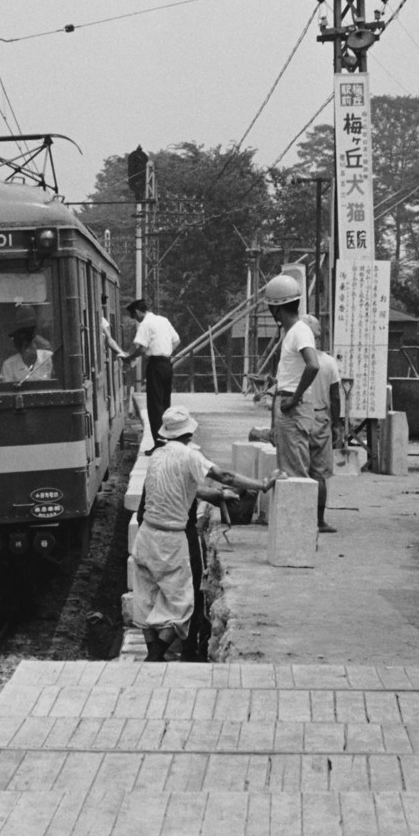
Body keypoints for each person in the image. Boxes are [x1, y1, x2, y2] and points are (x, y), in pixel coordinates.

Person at [132, 405, 277, 662]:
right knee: (181, 602)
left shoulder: (156, 456)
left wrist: (216, 496)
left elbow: (187, 490)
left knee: (147, 597)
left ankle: (153, 655)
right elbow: (226, 475)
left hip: (146, 535)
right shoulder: (190, 457)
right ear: (190, 433)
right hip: (171, 538)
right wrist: (261, 485)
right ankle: (154, 657)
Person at [263, 274, 321, 496]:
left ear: (275, 309)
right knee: (288, 468)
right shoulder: (292, 332)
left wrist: (294, 399)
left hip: (293, 406)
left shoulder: (299, 331)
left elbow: (313, 365)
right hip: (288, 403)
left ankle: (300, 525)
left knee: (295, 471)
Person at [301, 315, 341, 533]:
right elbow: (335, 397)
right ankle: (318, 520)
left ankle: (297, 517)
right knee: (319, 473)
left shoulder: (293, 360)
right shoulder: (328, 362)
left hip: (297, 416)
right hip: (320, 418)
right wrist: (337, 424)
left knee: (297, 469)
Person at [121, 298, 179, 442]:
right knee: (166, 403)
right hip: (167, 364)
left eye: (135, 317)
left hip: (155, 365)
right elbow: (177, 340)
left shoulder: (146, 324)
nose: (136, 320)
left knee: (154, 405)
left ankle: (159, 442)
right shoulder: (163, 320)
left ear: (137, 312)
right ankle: (167, 438)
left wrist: (129, 358)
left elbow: (142, 348)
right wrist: (166, 351)